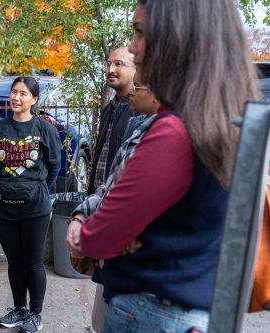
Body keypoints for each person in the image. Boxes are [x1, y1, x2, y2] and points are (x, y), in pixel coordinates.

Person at [67, 0, 261, 332]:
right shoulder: (219, 121)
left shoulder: (174, 131)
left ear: (177, 39)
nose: (132, 46)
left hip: (152, 314)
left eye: (139, 33)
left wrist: (83, 231)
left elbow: (101, 237)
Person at [68, 75, 160, 333]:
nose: (133, 90)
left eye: (139, 85)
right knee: (100, 322)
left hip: (144, 281)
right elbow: (112, 184)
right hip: (114, 264)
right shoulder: (136, 125)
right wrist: (80, 216)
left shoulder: (172, 136)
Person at [0, 76, 61, 333]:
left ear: (34, 99)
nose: (16, 98)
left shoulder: (44, 128)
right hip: (4, 206)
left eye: (23, 93)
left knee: (33, 262)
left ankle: (35, 314)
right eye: (13, 92)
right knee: (14, 261)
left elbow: (55, 166)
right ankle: (19, 310)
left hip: (35, 208)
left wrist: (37, 188)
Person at [87, 47, 138, 195]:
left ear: (136, 69)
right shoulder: (108, 109)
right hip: (98, 198)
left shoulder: (140, 112)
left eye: (118, 64)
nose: (110, 69)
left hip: (123, 199)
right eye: (108, 64)